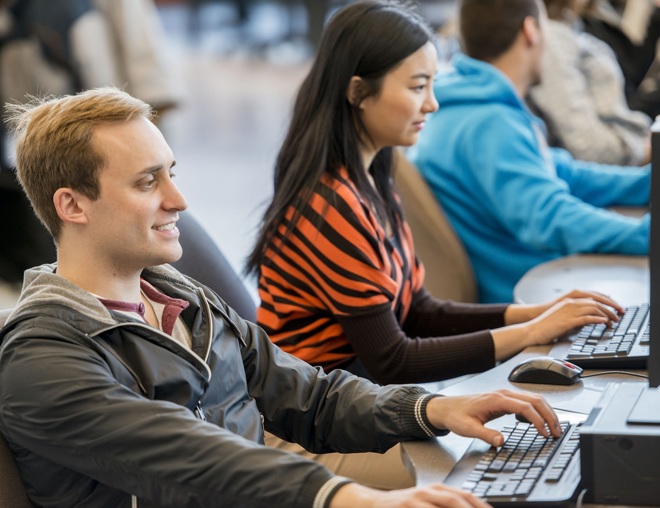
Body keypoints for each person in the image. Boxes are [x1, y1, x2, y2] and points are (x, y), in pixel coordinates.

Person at [0, 86, 567, 508]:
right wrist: (349, 498)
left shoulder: (180, 297)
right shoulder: (41, 357)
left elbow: (308, 396)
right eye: (149, 182)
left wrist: (434, 407)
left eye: (171, 173)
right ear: (72, 205)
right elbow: (188, 460)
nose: (180, 199)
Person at [245, 0, 621, 391]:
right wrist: (530, 332)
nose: (432, 103)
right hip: (316, 419)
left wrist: (541, 314)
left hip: (362, 400)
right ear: (358, 93)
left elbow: (418, 311)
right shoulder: (331, 204)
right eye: (417, 86)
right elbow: (394, 360)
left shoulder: (372, 177)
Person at [410, 0, 650, 304]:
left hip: (540, 286)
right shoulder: (489, 123)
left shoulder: (473, 105)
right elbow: (551, 218)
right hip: (529, 300)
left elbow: (561, 172)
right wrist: (646, 235)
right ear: (531, 29)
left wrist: (647, 182)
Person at [526, 0, 652, 166]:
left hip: (632, 148)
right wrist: (643, 151)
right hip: (621, 162)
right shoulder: (553, 37)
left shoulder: (576, 25)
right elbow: (586, 144)